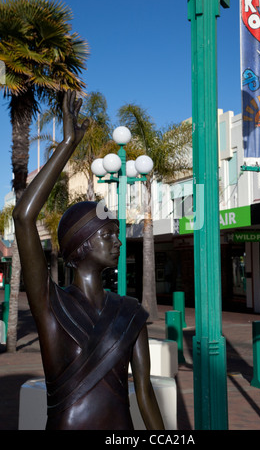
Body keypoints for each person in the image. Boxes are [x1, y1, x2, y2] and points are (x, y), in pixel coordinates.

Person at [13, 90, 165, 430]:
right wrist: (67, 145)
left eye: (117, 232)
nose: (118, 241)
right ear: (80, 246)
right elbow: (23, 217)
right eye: (107, 234)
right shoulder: (51, 304)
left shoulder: (131, 312)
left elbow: (144, 392)